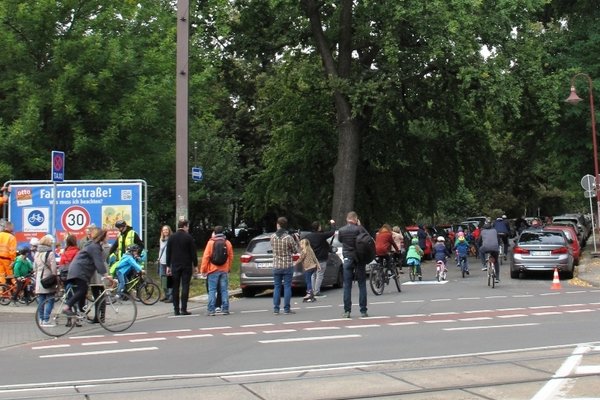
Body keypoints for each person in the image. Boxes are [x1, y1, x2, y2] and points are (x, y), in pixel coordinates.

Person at [62, 229, 113, 316]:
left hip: (79, 270)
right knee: (82, 290)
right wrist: (106, 275)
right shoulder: (94, 247)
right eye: (107, 236)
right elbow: (98, 262)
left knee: (83, 292)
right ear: (103, 237)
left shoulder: (95, 246)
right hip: (79, 270)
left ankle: (80, 314)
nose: (108, 238)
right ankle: (67, 307)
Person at [338, 211, 369, 318]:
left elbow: (341, 240)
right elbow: (367, 238)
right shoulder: (359, 229)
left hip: (347, 258)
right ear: (356, 219)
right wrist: (360, 225)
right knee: (362, 284)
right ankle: (363, 310)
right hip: (359, 258)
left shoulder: (341, 230)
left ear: (347, 219)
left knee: (347, 285)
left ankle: (347, 311)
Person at [166, 219, 198, 316]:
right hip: (186, 265)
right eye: (187, 226)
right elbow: (193, 252)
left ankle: (176, 309)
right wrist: (195, 265)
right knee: (185, 286)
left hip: (175, 265)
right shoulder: (188, 237)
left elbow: (168, 252)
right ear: (185, 226)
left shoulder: (172, 237)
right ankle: (184, 309)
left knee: (175, 287)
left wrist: (168, 265)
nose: (188, 228)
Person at [200, 226, 233, 316]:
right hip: (224, 270)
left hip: (213, 269)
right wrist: (228, 267)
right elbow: (230, 256)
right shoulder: (227, 243)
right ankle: (225, 308)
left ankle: (211, 310)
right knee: (224, 290)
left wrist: (203, 270)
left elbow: (206, 257)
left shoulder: (211, 243)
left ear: (214, 232)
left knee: (212, 290)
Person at [270, 216, 299, 315]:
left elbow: (273, 247)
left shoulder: (272, 237)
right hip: (287, 265)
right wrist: (296, 240)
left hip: (276, 265)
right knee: (287, 287)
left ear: (278, 225)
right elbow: (295, 251)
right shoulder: (288, 238)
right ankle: (287, 308)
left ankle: (276, 309)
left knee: (277, 287)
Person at [305, 219, 336, 297]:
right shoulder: (321, 236)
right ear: (318, 228)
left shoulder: (308, 236)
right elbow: (332, 232)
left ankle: (311, 290)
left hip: (312, 258)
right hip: (321, 258)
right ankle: (317, 291)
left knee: (313, 275)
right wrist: (332, 224)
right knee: (320, 274)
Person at [35, 235, 59, 326]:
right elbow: (54, 268)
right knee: (50, 299)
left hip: (39, 279)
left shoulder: (37, 253)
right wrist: (55, 277)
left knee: (41, 299)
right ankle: (46, 319)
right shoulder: (50, 253)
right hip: (48, 279)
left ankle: (41, 319)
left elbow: (35, 267)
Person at [295, 238, 319, 303]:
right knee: (309, 280)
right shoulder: (310, 250)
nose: (300, 246)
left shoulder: (304, 251)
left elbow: (300, 259)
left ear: (303, 245)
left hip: (308, 268)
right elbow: (315, 258)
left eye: (301, 244)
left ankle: (309, 293)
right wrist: (318, 266)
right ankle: (311, 293)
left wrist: (294, 263)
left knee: (308, 280)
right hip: (313, 267)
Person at [158, 225, 173, 302]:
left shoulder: (172, 239)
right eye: (164, 230)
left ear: (169, 230)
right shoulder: (161, 239)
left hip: (169, 262)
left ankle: (171, 296)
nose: (165, 231)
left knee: (169, 279)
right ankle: (166, 294)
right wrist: (159, 258)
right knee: (163, 279)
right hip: (162, 262)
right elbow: (161, 250)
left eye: (166, 230)